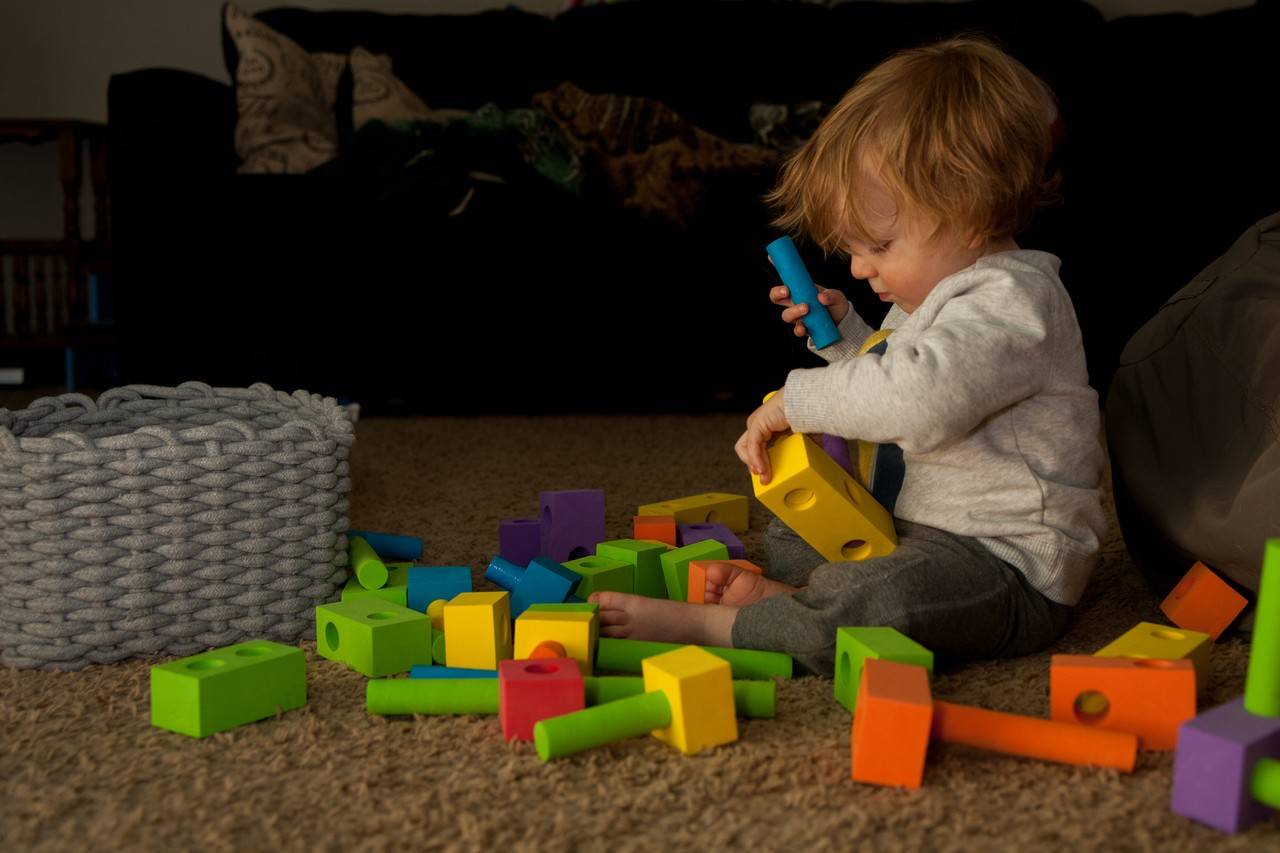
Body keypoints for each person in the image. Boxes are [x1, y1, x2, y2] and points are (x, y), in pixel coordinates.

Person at [589, 35, 1105, 676]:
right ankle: (803, 602)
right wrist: (851, 339)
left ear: (970, 212)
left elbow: (920, 399)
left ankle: (721, 627)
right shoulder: (934, 294)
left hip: (1004, 564)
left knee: (890, 599)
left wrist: (795, 400)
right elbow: (903, 371)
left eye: (881, 244)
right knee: (794, 528)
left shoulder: (1013, 300)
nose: (860, 267)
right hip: (913, 528)